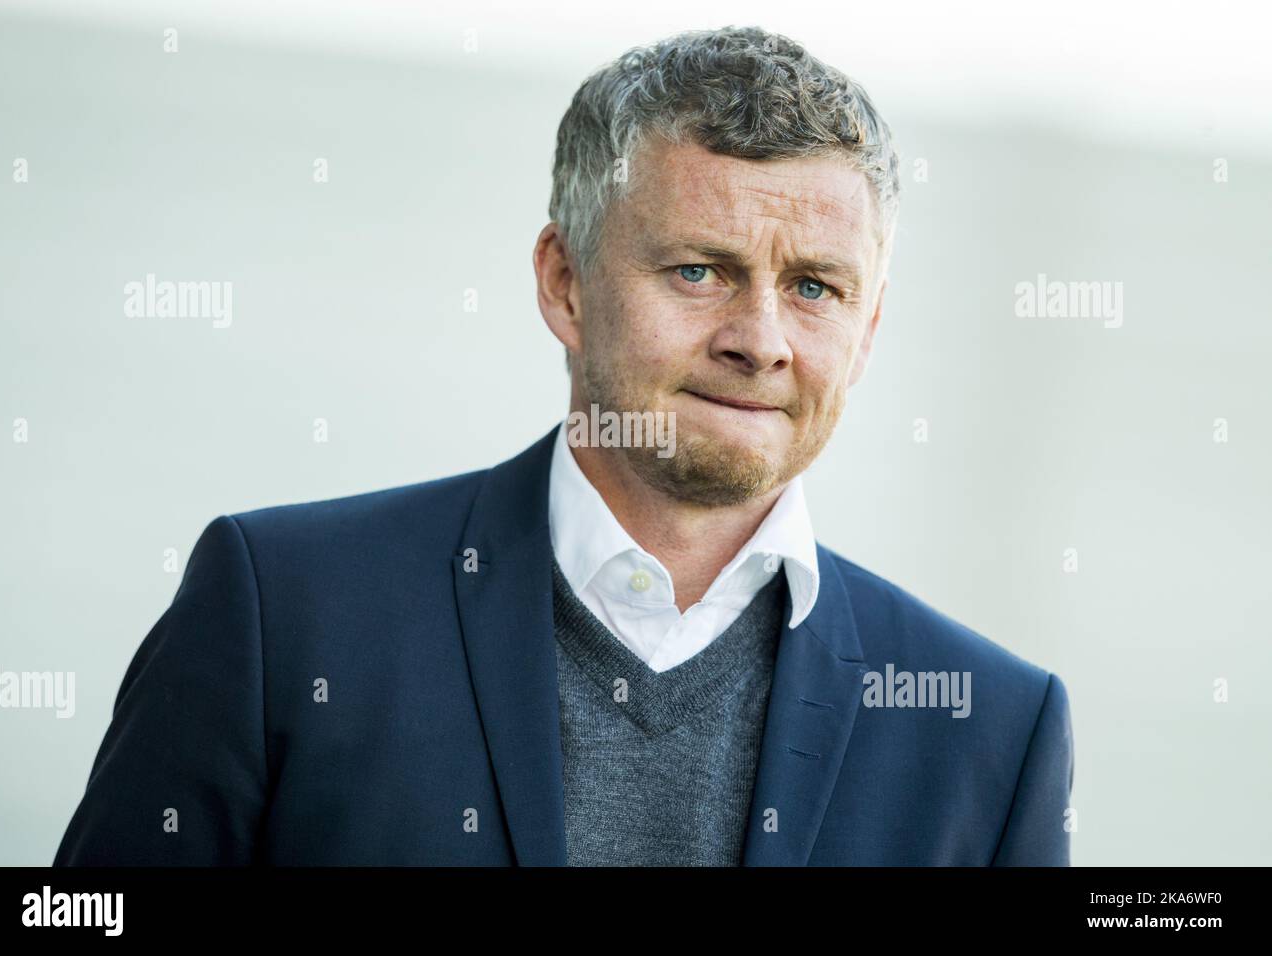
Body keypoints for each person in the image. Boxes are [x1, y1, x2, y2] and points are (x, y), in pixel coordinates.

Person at [54, 24, 1072, 867]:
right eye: (696, 271)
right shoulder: (284, 614)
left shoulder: (989, 728)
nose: (758, 340)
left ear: (869, 328)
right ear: (564, 281)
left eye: (814, 287)